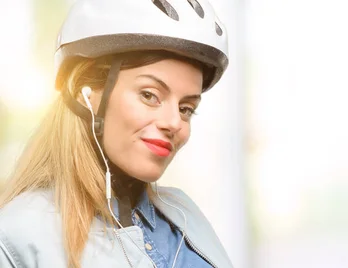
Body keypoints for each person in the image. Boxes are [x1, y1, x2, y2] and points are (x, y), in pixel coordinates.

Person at [0, 0, 233, 267]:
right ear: (84, 93)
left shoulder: (185, 214)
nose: (174, 122)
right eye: (150, 95)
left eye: (186, 108)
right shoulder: (17, 235)